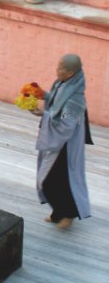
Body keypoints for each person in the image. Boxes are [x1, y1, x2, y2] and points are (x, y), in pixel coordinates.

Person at [31, 54, 92, 229]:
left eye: (60, 68)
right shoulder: (62, 84)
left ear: (71, 73)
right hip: (57, 141)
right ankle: (59, 213)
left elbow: (67, 126)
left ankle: (69, 213)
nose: (56, 70)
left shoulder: (75, 98)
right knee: (52, 180)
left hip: (66, 145)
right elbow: (57, 101)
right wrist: (44, 95)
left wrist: (44, 114)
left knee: (55, 181)